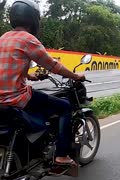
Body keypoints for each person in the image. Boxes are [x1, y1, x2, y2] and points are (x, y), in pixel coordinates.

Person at [0, 0, 86, 166]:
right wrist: (75, 76)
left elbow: (8, 67)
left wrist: (30, 76)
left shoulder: (3, 38)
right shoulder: (28, 39)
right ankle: (61, 156)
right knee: (64, 106)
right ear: (33, 19)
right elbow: (53, 65)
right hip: (14, 98)